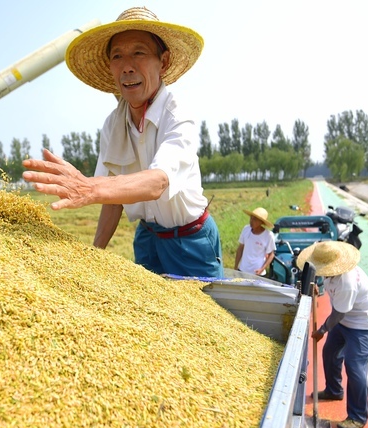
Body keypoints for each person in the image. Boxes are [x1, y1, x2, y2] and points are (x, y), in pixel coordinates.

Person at [22, 7, 223, 278]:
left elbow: (158, 182)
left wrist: (88, 186)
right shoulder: (113, 124)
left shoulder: (177, 115)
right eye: (117, 56)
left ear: (163, 62)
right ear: (110, 67)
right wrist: (94, 255)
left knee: (203, 316)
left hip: (190, 240)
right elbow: (113, 200)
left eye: (138, 52)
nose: (127, 66)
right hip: (148, 237)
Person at [296, 240, 368, 428]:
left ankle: (358, 416)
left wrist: (323, 330)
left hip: (361, 324)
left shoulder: (347, 282)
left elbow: (338, 314)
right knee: (330, 353)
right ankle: (334, 390)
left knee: (355, 366)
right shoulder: (331, 271)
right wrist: (319, 288)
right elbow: (329, 287)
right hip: (344, 319)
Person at [234, 207, 275, 276]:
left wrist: (262, 269)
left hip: (257, 273)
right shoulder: (246, 229)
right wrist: (235, 267)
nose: (251, 221)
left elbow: (271, 254)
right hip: (243, 270)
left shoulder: (268, 235)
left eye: (255, 219)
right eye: (251, 218)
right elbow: (240, 249)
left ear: (261, 222)